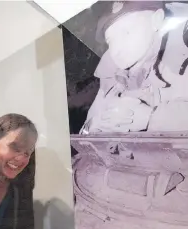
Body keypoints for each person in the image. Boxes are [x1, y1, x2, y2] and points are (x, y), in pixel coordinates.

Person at [80, 1, 188, 133]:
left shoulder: (182, 57)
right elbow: (86, 131)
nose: (116, 48)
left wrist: (150, 118)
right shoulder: (112, 75)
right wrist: (96, 125)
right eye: (110, 40)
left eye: (126, 32)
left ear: (157, 20)